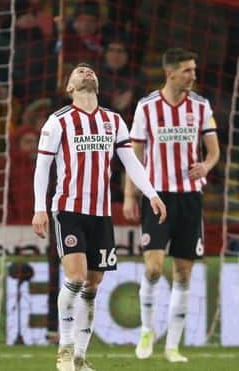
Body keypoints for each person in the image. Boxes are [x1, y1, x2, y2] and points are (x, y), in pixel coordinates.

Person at [32, 63, 166, 371]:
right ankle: (64, 353)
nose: (85, 72)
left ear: (98, 83)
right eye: (78, 71)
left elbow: (130, 161)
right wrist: (40, 207)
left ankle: (79, 357)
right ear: (69, 87)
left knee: (93, 285)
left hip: (102, 214)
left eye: (89, 70)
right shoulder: (58, 122)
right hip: (68, 210)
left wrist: (152, 194)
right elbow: (43, 168)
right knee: (76, 278)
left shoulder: (114, 121)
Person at [123, 48, 220, 363]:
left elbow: (213, 151)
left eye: (194, 70)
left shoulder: (201, 107)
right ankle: (147, 331)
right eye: (188, 70)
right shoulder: (147, 107)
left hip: (190, 198)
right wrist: (129, 196)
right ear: (171, 73)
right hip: (157, 196)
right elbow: (133, 156)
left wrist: (206, 166)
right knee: (153, 268)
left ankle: (173, 347)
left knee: (183, 272)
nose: (193, 75)